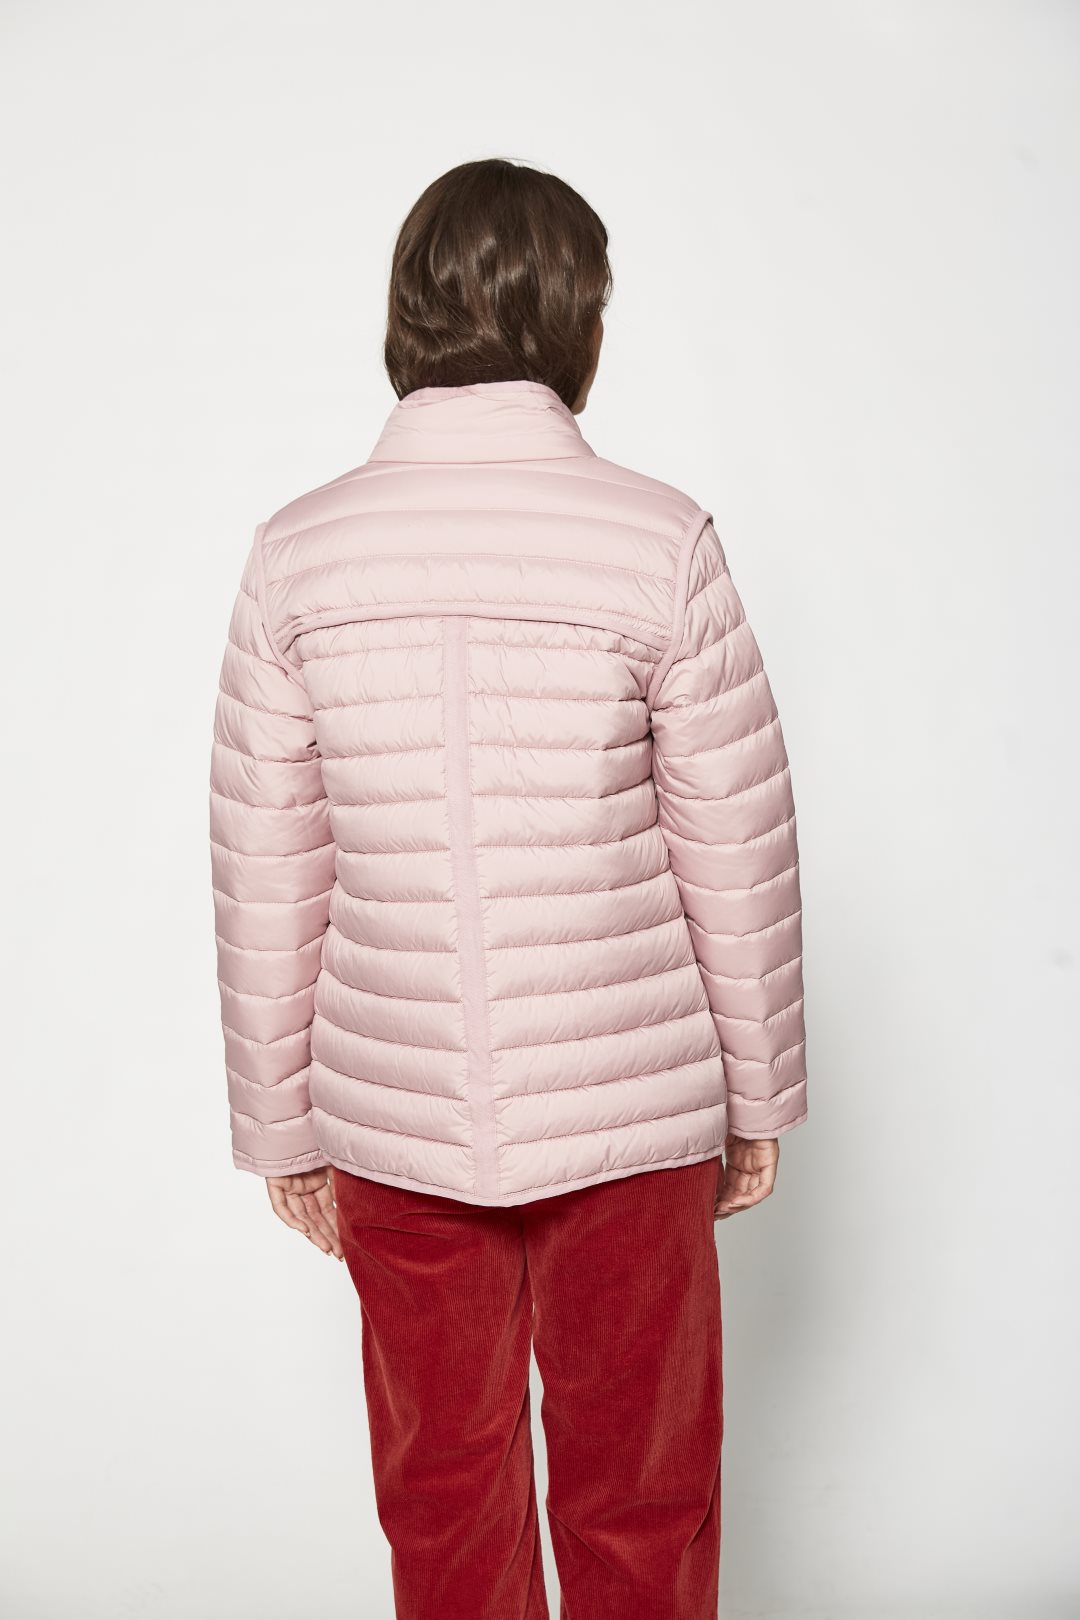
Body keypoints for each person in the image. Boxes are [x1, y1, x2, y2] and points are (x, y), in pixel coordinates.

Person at [209, 156, 808, 1620]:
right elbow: (736, 841)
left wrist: (281, 1122)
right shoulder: (661, 542)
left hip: (395, 1109)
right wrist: (755, 1096)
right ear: (578, 323)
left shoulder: (296, 555)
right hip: (632, 1106)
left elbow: (267, 861)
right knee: (642, 1494)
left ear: (405, 316)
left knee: (444, 1496)